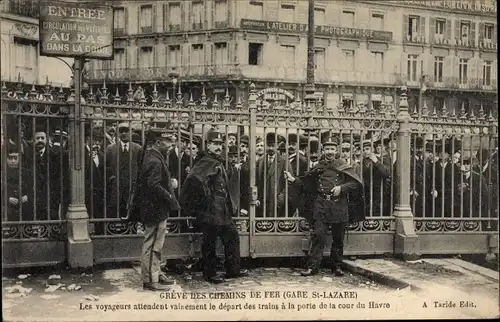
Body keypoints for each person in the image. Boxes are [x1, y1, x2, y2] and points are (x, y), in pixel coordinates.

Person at [285, 135, 364, 276]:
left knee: (338, 238)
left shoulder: (343, 165)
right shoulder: (318, 166)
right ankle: (312, 267)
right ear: (323, 150)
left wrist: (341, 188)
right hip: (321, 205)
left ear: (337, 150)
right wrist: (293, 180)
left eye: (332, 149)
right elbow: (307, 184)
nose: (330, 152)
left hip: (339, 206)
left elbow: (355, 183)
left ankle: (337, 266)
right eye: (327, 149)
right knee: (318, 236)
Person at [179, 129, 248, 284]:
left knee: (231, 237)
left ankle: (233, 270)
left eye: (219, 144)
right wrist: (204, 199)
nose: (218, 147)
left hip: (222, 209)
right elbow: (193, 181)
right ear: (208, 145)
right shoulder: (205, 161)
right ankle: (209, 273)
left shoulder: (218, 160)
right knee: (209, 241)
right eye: (214, 144)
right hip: (211, 210)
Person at [138, 128, 180, 291]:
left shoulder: (153, 156)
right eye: (168, 141)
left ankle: (155, 274)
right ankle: (151, 280)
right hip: (155, 209)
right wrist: (169, 196)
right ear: (158, 142)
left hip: (154, 208)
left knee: (155, 244)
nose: (171, 144)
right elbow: (153, 185)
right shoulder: (154, 159)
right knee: (153, 245)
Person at [105, 122, 142, 218]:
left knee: (132, 212)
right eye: (121, 131)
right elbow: (105, 167)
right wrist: (111, 177)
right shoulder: (110, 149)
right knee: (115, 212)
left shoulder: (138, 149)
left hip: (132, 187)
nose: (124, 134)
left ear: (131, 132)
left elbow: (142, 167)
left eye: (126, 131)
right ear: (117, 133)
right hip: (116, 187)